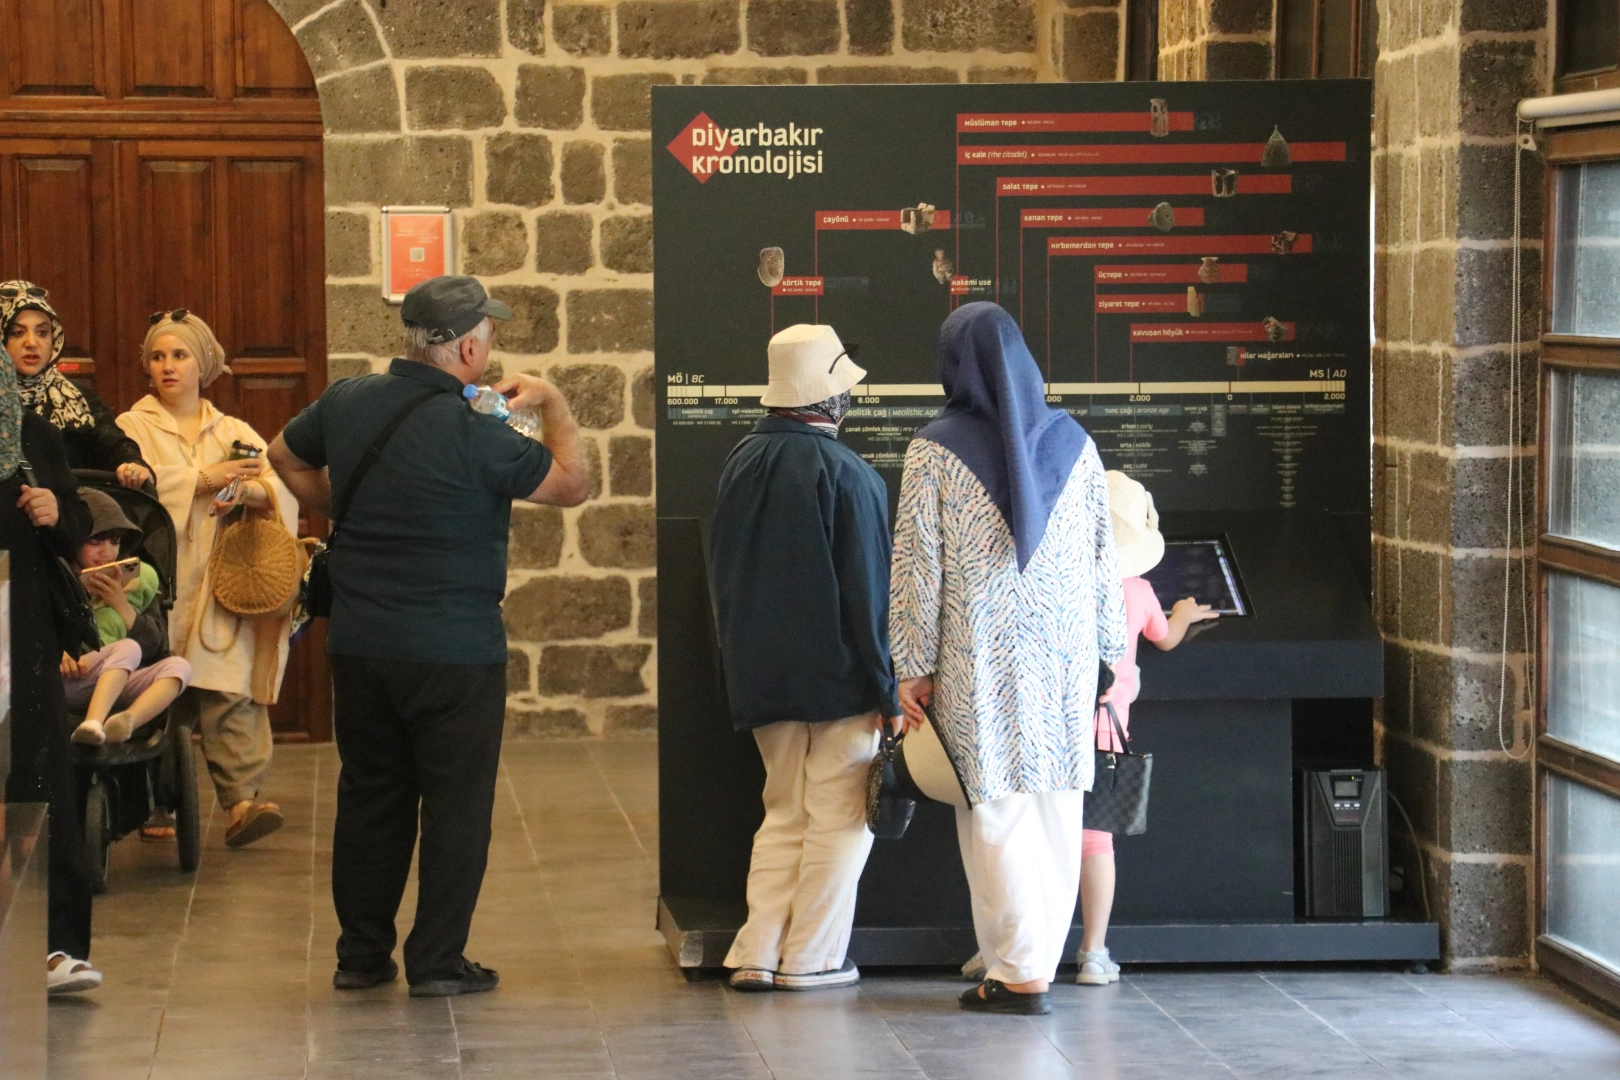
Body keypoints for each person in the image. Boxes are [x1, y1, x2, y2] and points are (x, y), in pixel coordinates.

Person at [268, 275, 589, 998]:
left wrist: (338, 508)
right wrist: (553, 404)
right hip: (455, 652)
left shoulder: (348, 400)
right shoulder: (479, 431)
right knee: (455, 808)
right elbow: (572, 484)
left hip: (360, 643)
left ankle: (360, 957)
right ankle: (438, 961)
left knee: (370, 797)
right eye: (489, 334)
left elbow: (283, 455)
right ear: (469, 348)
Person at [890, 302, 1127, 1016]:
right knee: (1057, 804)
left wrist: (911, 663)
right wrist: (1110, 653)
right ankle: (1027, 962)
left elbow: (917, 568)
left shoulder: (934, 450)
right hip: (1065, 659)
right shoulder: (1076, 443)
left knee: (991, 805)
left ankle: (1019, 971)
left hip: (977, 654)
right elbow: (1103, 557)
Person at [707, 323, 903, 994]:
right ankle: (812, 958)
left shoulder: (739, 463)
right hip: (841, 682)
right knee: (840, 820)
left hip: (762, 678)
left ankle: (756, 951)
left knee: (783, 811)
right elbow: (868, 595)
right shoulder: (851, 474)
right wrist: (887, 688)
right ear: (830, 398)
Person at [115, 311, 298, 847]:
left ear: (204, 365)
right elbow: (128, 488)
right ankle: (158, 801)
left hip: (221, 584)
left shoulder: (233, 431)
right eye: (157, 357)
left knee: (229, 688)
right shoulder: (132, 427)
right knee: (160, 694)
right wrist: (201, 479)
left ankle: (242, 802)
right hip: (159, 583)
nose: (168, 366)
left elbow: (278, 486)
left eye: (180, 355)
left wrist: (248, 492)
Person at [1074, 471, 1216, 986]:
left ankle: (1016, 951)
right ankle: (1093, 953)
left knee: (1038, 840)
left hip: (1054, 732)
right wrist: (1183, 613)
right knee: (1095, 845)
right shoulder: (1137, 589)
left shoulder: (1062, 582)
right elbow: (1165, 638)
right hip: (1105, 739)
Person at [0, 345, 101, 993]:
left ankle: (55, 947)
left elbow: (78, 518)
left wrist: (56, 513)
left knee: (40, 774)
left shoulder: (31, 433)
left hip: (21, 631)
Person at [63, 488, 192, 747]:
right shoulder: (57, 577)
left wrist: (122, 606)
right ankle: (92, 723)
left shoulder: (136, 582)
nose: (107, 552)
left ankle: (125, 722)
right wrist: (58, 651)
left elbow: (156, 648)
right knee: (127, 647)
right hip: (70, 678)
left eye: (114, 542)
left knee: (180, 667)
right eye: (96, 542)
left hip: (117, 679)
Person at [2, 280, 152, 486]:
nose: (32, 343)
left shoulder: (78, 398)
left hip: (76, 503)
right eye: (17, 333)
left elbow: (115, 446)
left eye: (42, 332)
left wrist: (132, 465)